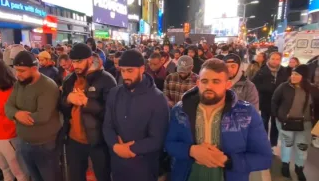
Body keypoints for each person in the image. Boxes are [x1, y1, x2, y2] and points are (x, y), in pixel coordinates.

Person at [165, 59, 272, 181]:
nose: (209, 86)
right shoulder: (180, 110)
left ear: (228, 84)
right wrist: (191, 151)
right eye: (205, 81)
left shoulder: (246, 114)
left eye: (216, 81)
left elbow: (264, 158)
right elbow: (169, 144)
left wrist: (227, 160)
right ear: (198, 83)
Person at [103, 49, 169, 181]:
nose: (125, 75)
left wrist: (129, 149)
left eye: (130, 71)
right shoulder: (114, 93)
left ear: (142, 69)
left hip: (144, 168)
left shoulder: (157, 98)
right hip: (118, 166)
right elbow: (107, 126)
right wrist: (116, 146)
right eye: (122, 71)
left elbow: (157, 138)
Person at [61, 43, 116, 181]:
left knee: (103, 176)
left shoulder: (106, 80)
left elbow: (111, 113)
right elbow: (61, 106)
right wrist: (68, 99)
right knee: (75, 176)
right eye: (73, 61)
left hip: (98, 140)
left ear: (90, 59)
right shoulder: (69, 80)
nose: (75, 65)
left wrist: (87, 103)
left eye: (79, 61)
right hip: (73, 139)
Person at [5, 51, 61, 181]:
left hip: (44, 145)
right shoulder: (19, 84)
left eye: (22, 70)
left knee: (49, 177)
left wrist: (16, 116)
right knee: (34, 177)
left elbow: (42, 116)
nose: (17, 74)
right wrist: (17, 114)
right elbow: (8, 107)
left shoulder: (47, 86)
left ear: (34, 69)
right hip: (24, 141)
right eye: (16, 70)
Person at [272, 65, 318, 181]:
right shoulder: (284, 87)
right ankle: (285, 165)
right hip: (286, 123)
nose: (293, 76)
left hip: (305, 125)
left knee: (301, 147)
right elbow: (274, 101)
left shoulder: (313, 90)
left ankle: (299, 168)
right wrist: (279, 116)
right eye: (292, 73)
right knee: (287, 145)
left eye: (297, 74)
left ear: (304, 77)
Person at [252, 52, 288, 148]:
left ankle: (273, 144)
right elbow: (254, 84)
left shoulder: (284, 71)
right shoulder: (262, 71)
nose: (275, 61)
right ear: (268, 59)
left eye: (277, 59)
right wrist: (266, 88)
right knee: (264, 122)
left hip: (279, 102)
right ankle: (263, 142)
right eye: (273, 59)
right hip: (265, 101)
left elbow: (287, 85)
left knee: (275, 123)